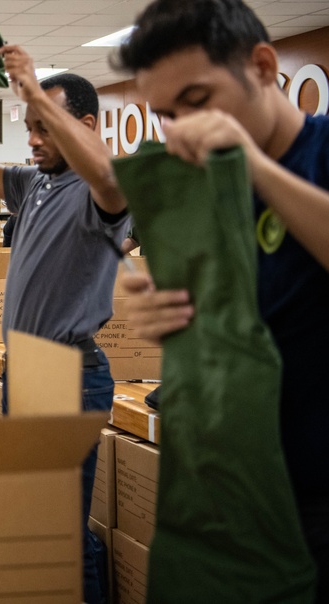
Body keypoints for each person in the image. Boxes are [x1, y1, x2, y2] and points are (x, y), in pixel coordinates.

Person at [114, 0, 329, 596]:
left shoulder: (315, 154)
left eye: (199, 101)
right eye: (165, 115)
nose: (182, 128)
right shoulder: (204, 187)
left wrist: (253, 166)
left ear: (262, 66)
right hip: (238, 490)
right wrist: (164, 312)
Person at [0, 48, 129, 604]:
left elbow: (106, 175)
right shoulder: (34, 183)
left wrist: (29, 81)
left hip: (69, 373)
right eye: (29, 128)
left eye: (44, 126)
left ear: (88, 125)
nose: (32, 139)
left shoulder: (106, 187)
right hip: (29, 371)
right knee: (37, 523)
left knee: (60, 533)